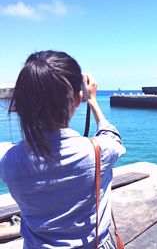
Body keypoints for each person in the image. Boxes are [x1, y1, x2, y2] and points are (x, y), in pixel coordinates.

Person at [0, 50, 126, 248]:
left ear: (22, 104)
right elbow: (113, 137)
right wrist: (93, 101)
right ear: (77, 99)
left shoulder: (8, 159)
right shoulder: (97, 152)